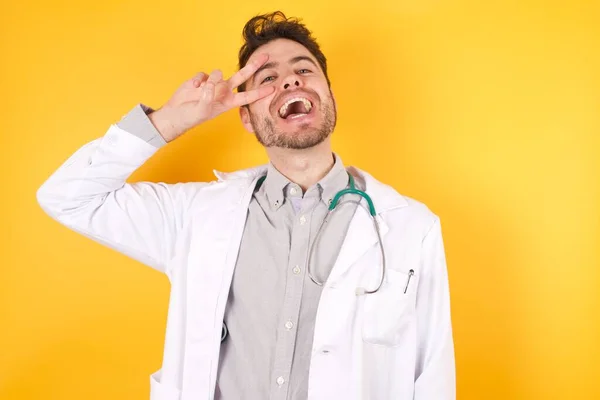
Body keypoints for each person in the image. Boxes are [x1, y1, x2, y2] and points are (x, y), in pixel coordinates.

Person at [37, 11, 455, 400]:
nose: (290, 81)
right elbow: (67, 197)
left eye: (304, 69)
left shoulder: (410, 227)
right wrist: (171, 120)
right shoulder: (195, 216)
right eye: (267, 79)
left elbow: (433, 374)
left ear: (330, 96)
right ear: (247, 117)